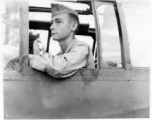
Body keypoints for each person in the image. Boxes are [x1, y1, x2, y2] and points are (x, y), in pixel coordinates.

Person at [28, 3, 95, 78]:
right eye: (52, 23)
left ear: (73, 26)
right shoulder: (61, 54)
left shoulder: (83, 49)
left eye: (58, 22)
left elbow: (59, 67)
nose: (51, 27)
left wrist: (29, 59)